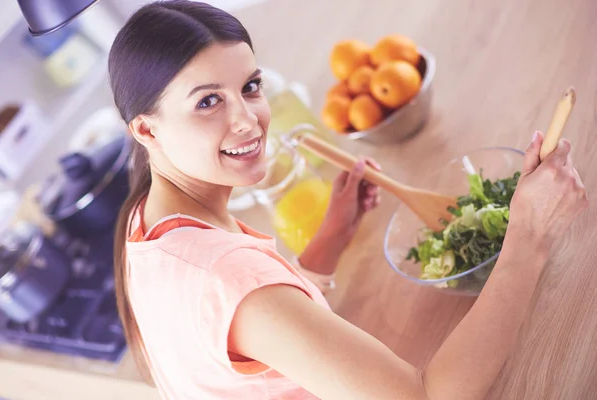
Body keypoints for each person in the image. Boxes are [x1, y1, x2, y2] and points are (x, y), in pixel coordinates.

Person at [110, 1, 588, 399]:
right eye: (208, 102)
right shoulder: (228, 279)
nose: (247, 120)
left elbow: (252, 339)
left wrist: (330, 240)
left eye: (250, 87)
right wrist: (529, 237)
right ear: (147, 129)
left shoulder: (146, 220)